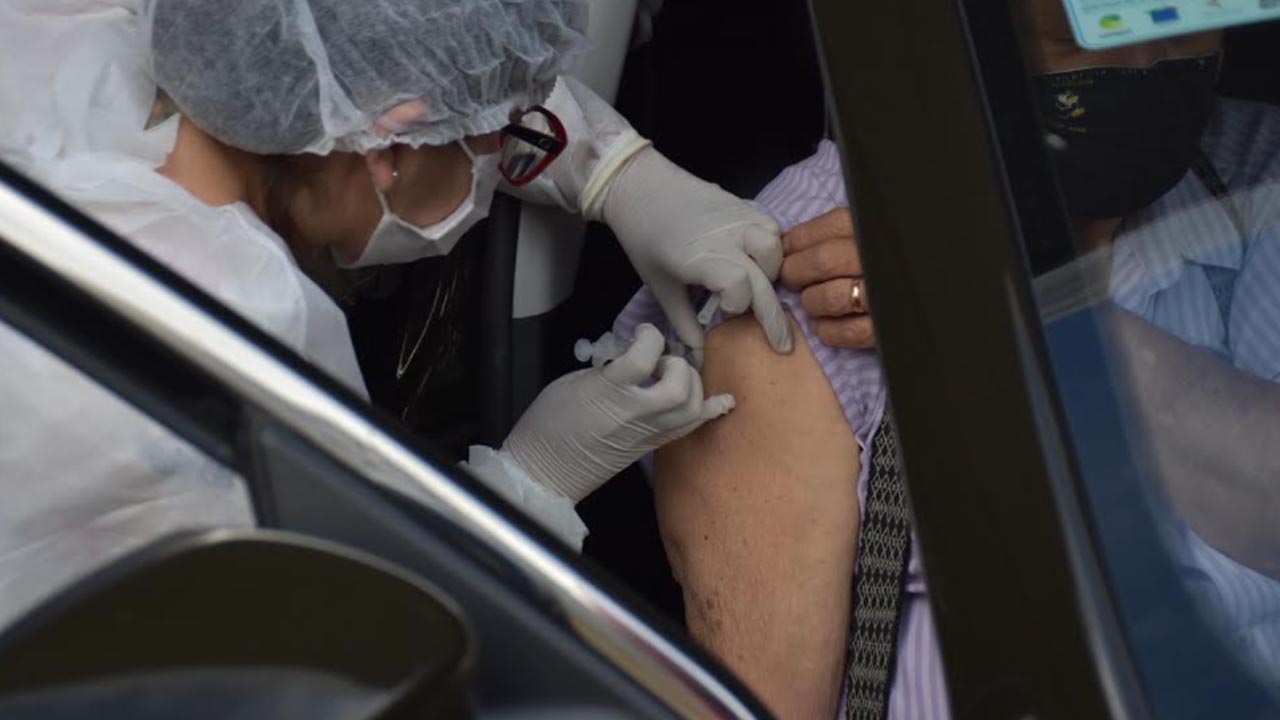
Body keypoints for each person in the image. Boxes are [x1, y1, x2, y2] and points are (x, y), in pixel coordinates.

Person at [0, 0, 793, 629]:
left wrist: (620, 176)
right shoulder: (241, 332)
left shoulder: (78, 37)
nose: (492, 173)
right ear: (388, 148)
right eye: (489, 146)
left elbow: (359, 49)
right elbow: (346, 636)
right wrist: (531, 484)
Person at [610, 0, 1280, 716]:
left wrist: (1016, 315)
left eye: (1175, 22)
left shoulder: (1250, 177)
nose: (1146, 67)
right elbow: (764, 705)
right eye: (1092, 33)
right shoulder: (810, 278)